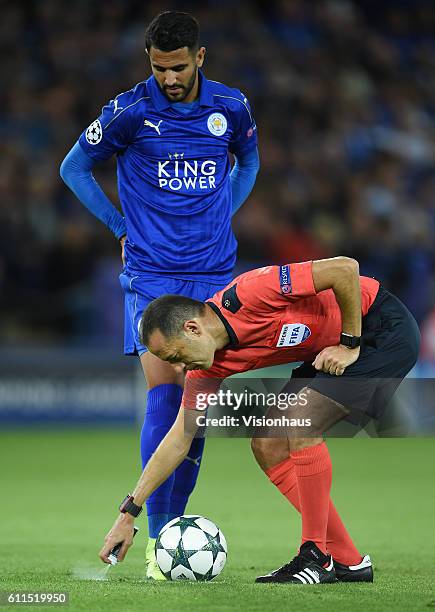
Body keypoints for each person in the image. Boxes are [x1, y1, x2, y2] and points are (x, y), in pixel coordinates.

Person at [59, 11, 259, 579]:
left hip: (213, 271)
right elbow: (73, 168)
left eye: (178, 67)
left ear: (201, 57)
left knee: (197, 401)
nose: (169, 79)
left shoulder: (232, 108)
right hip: (151, 272)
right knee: (165, 392)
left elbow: (249, 161)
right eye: (159, 68)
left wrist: (224, 211)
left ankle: (172, 531)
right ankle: (156, 540)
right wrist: (120, 227)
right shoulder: (129, 111)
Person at [98, 256, 420, 584]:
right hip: (328, 347)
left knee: (300, 421)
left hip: (378, 327)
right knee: (268, 444)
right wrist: (128, 513)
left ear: (192, 328)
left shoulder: (253, 292)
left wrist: (350, 343)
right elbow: (179, 439)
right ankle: (348, 561)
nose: (179, 368)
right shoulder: (207, 369)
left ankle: (315, 556)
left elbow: (345, 269)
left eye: (176, 356)